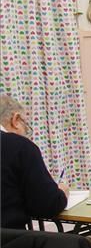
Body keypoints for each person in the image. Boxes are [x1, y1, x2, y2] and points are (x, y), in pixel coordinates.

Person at [0, 94, 68, 229]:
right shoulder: (20, 146)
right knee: (78, 245)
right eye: (26, 126)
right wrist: (61, 192)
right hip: (9, 242)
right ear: (16, 119)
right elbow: (48, 205)